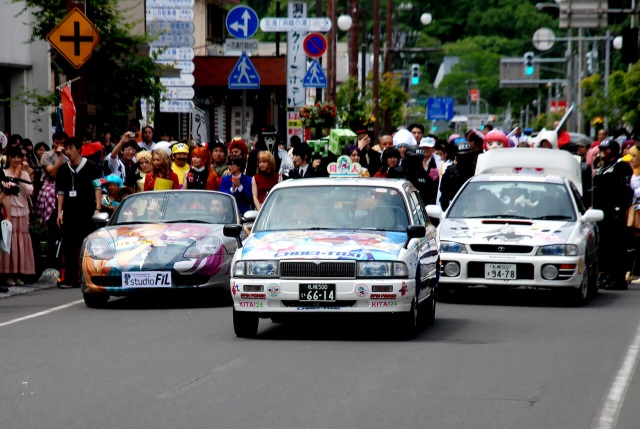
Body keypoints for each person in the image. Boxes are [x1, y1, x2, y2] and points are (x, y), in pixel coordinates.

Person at [56, 137, 102, 289]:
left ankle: (87, 277)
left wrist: (98, 207)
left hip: (86, 211)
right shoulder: (63, 170)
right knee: (69, 245)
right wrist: (59, 212)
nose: (68, 152)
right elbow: (61, 192)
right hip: (69, 212)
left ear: (78, 149)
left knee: (86, 245)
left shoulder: (91, 166)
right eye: (66, 149)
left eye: (70, 148)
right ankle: (70, 278)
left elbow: (97, 188)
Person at [593, 139, 633, 290]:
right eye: (601, 149)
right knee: (603, 246)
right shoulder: (602, 167)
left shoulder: (621, 167)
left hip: (614, 213)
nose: (602, 152)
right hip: (600, 213)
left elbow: (625, 190)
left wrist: (619, 208)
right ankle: (605, 274)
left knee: (616, 246)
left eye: (606, 149)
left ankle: (618, 278)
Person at [0, 146, 35, 286]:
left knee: (21, 240)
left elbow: (29, 192)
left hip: (22, 209)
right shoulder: (3, 172)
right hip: (9, 209)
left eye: (19, 157)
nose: (16, 160)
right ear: (8, 158)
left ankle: (19, 273)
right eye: (13, 157)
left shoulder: (24, 173)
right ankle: (8, 273)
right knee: (9, 240)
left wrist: (20, 176)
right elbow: (5, 189)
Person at [406, 136, 440, 205]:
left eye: (428, 148)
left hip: (432, 200)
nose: (425, 150)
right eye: (423, 147)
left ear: (433, 149)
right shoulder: (415, 163)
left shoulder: (438, 164)